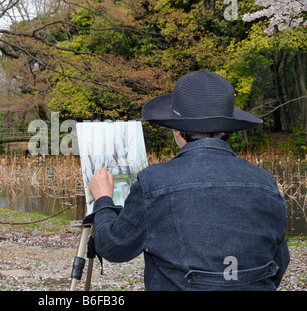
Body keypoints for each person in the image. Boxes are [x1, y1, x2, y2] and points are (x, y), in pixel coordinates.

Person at [84, 70, 290, 291]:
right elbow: (279, 262)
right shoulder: (265, 182)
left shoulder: (152, 182)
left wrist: (104, 199)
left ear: (177, 130)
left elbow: (114, 247)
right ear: (228, 130)